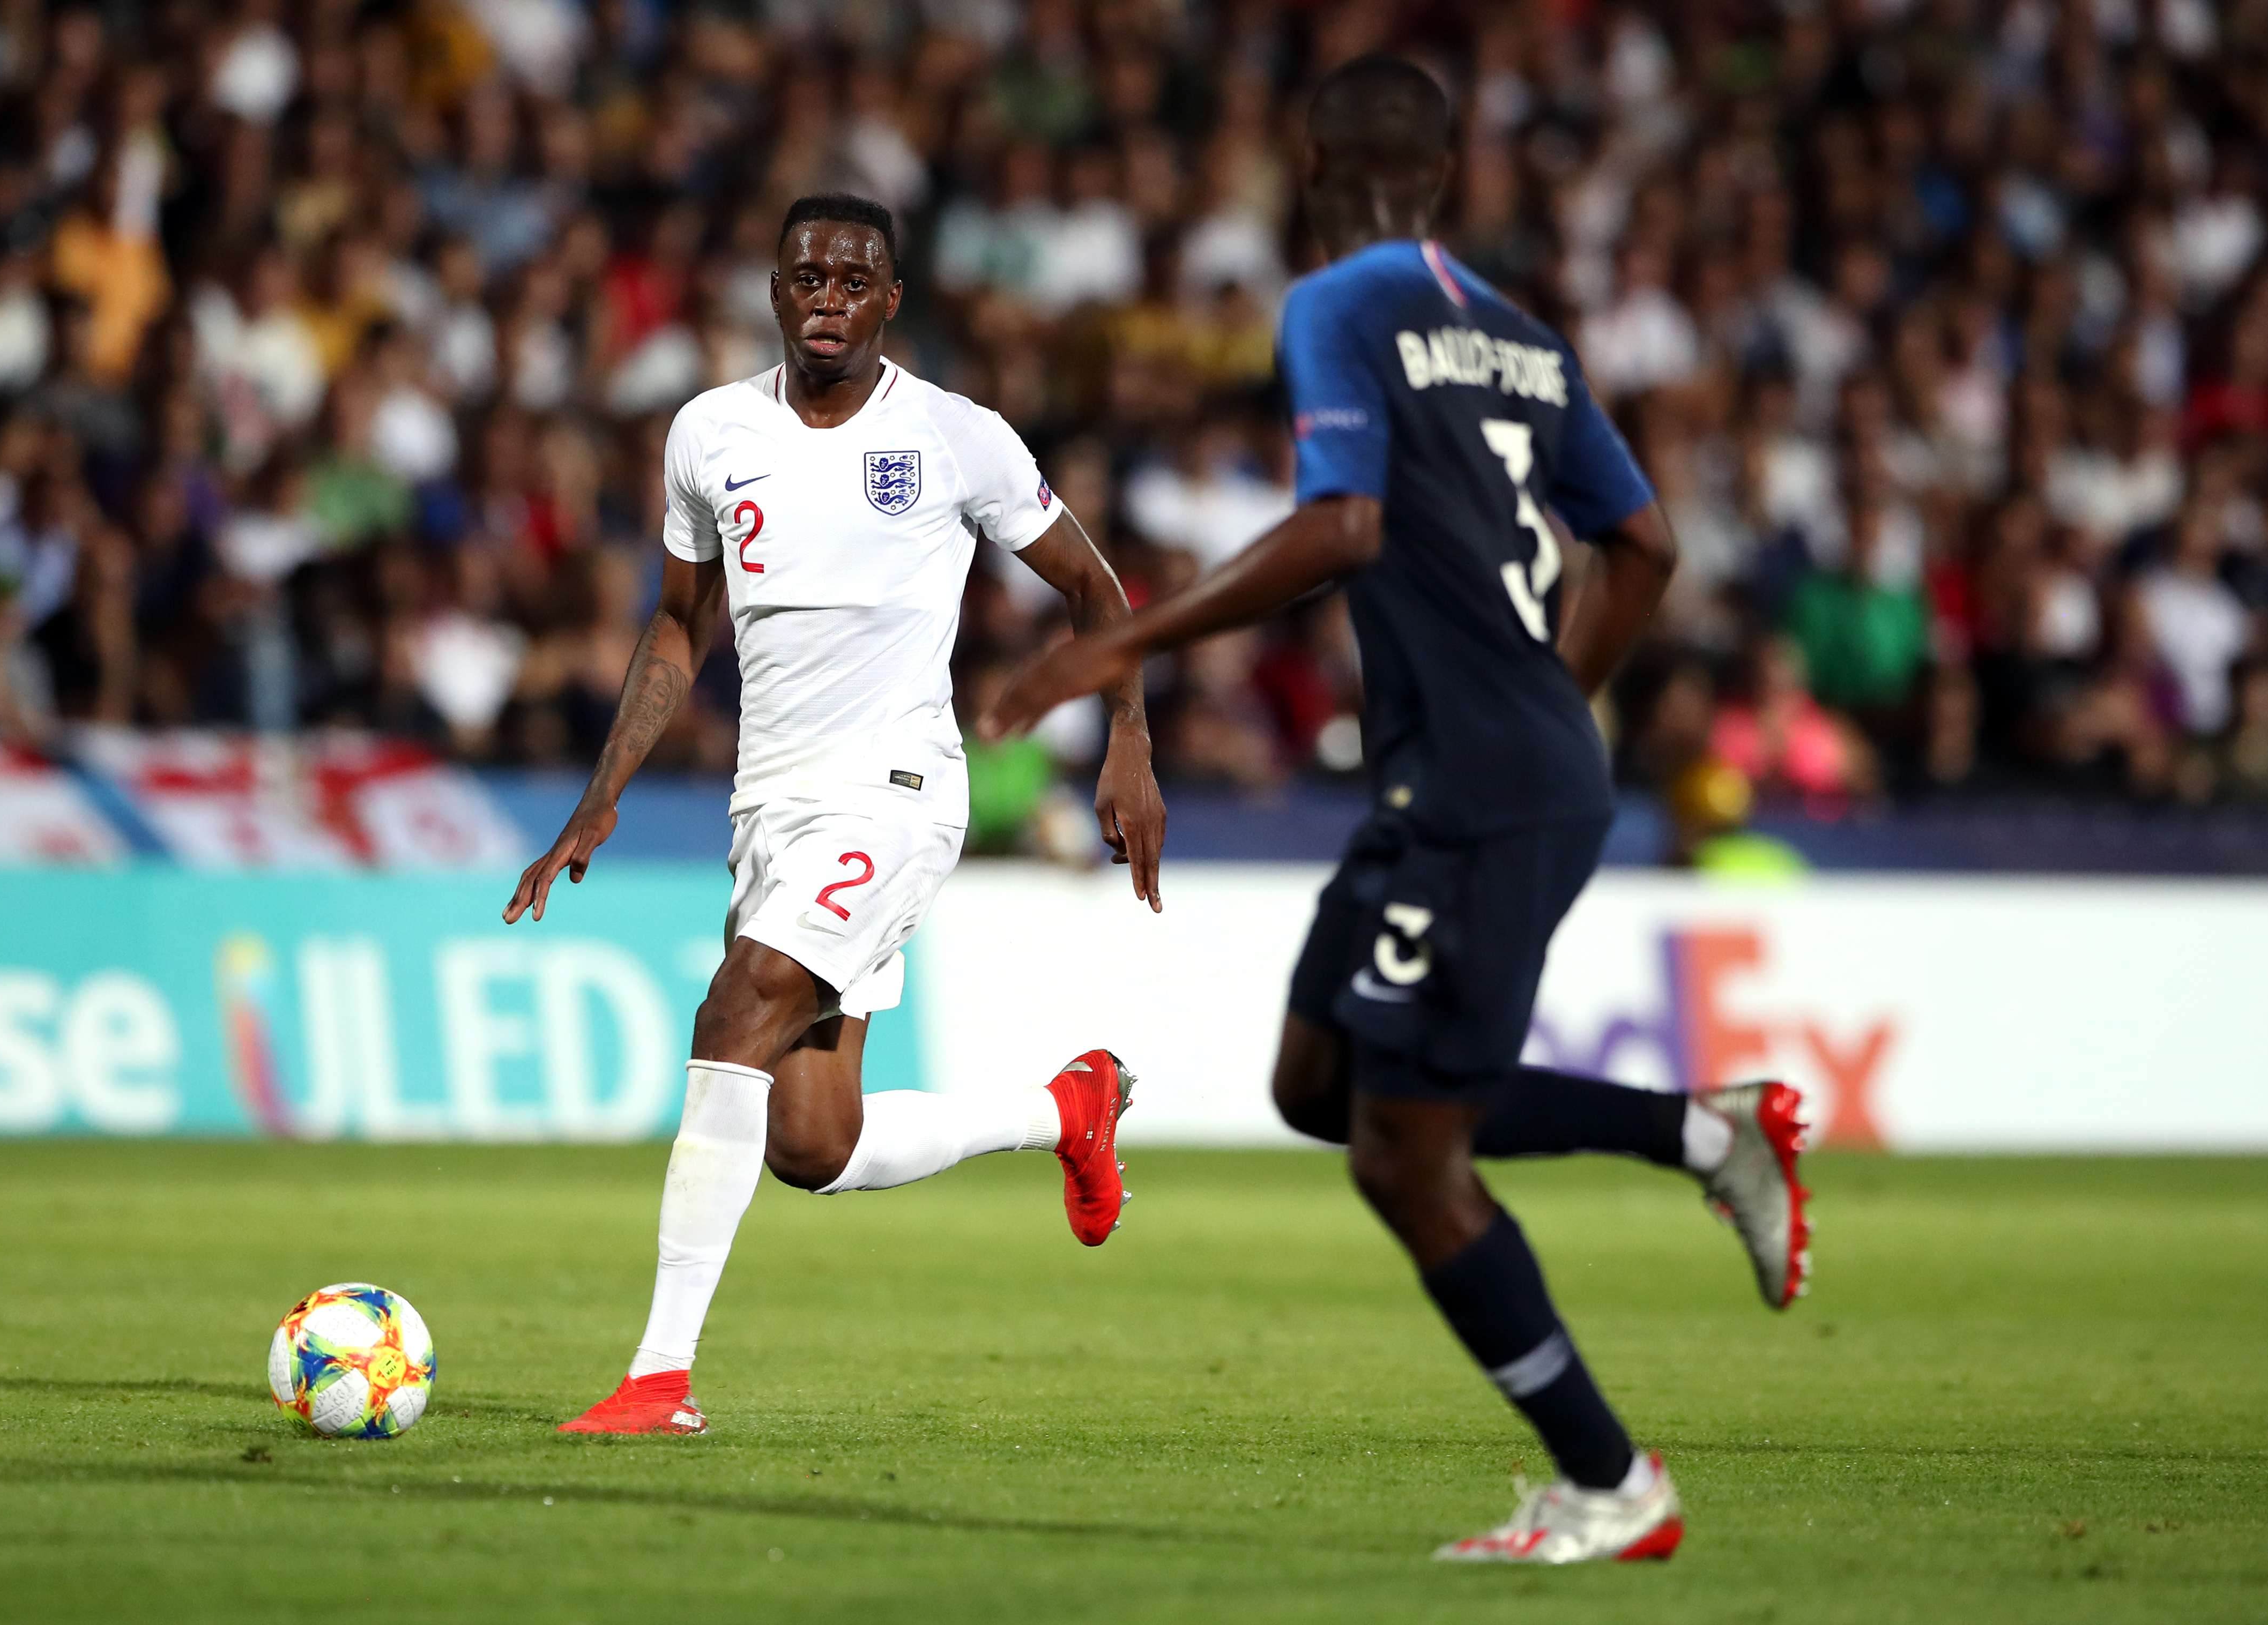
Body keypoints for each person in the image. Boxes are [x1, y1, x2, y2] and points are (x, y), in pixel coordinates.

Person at [990, 58, 1808, 1565]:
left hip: (1480, 784)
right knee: (1321, 1086)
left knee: (1400, 1158)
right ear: (1447, 177)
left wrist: (1123, 638)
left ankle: (1613, 1484)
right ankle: (1701, 1134)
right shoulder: (1524, 339)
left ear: (1310, 165)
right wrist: (1554, 696)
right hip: (1475, 773)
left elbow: (1345, 524)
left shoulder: (1335, 305)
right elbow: (1645, 544)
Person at [504, 193, 1167, 1437]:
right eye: (807, 277)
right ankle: (1065, 1109)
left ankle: (657, 1377)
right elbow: (678, 623)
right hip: (774, 804)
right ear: (774, 289)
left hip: (898, 793)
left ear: (890, 301)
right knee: (810, 1142)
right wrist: (596, 805)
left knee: (737, 1003)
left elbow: (1092, 584)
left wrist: (1129, 736)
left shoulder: (955, 436)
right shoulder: (708, 433)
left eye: (854, 281)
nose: (828, 298)